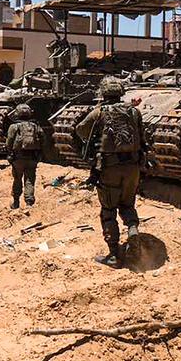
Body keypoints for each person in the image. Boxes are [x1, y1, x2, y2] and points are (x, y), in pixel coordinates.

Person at [74, 77, 148, 268]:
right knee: (127, 204)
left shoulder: (99, 112)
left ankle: (114, 255)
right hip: (132, 168)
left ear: (103, 93)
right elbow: (142, 137)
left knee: (108, 210)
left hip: (109, 168)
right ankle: (132, 230)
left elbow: (81, 131)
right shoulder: (133, 111)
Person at [4, 103, 42, 209]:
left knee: (17, 179)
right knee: (30, 179)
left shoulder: (14, 126)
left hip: (18, 158)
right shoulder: (35, 126)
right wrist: (39, 154)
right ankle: (29, 203)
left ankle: (16, 202)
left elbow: (9, 142)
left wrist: (10, 154)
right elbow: (43, 140)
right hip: (32, 157)